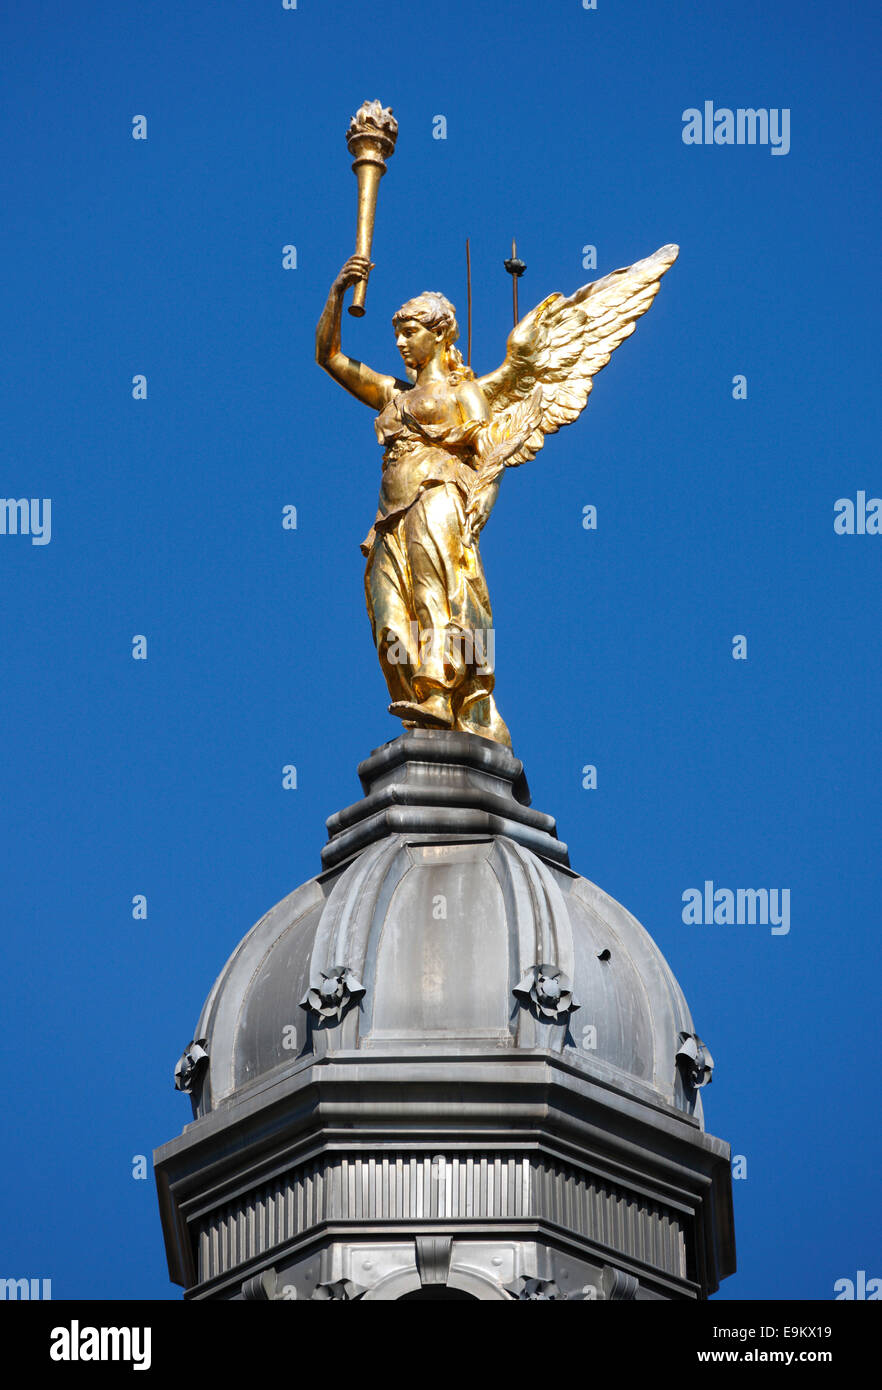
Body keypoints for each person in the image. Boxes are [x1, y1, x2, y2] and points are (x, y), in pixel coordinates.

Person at [316, 254, 512, 746]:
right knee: (388, 617)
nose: (401, 344)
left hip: (438, 497)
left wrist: (482, 499)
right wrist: (338, 293)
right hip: (389, 518)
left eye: (411, 333)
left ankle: (440, 694)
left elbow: (492, 454)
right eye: (398, 335)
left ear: (441, 334)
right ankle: (419, 696)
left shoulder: (463, 395)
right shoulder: (392, 394)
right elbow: (330, 357)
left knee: (436, 597)